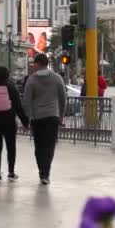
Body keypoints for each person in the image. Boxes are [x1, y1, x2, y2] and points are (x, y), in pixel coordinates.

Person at [23, 53, 67, 185]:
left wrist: (28, 117)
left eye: (34, 63)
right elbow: (63, 99)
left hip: (37, 118)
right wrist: (61, 116)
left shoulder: (31, 80)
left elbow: (27, 101)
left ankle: (42, 171)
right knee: (50, 146)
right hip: (53, 117)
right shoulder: (57, 78)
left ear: (38, 64)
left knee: (39, 146)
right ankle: (46, 173)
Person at [0, 67, 29, 184]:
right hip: (9, 122)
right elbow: (18, 106)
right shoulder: (11, 87)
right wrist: (25, 121)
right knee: (11, 147)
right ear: (8, 75)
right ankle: (11, 173)